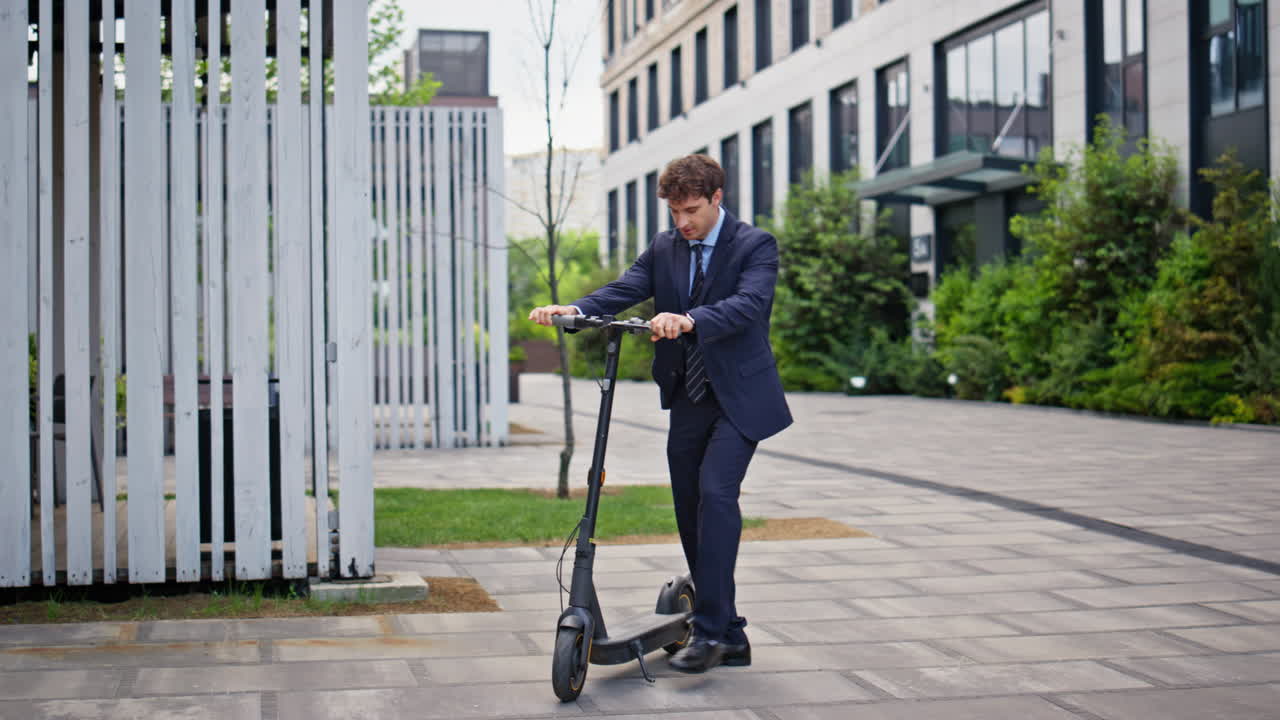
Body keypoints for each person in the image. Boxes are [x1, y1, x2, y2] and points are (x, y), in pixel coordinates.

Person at [529, 154, 792, 674]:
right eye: (674, 213)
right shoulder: (665, 246)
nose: (682, 222)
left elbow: (748, 305)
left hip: (739, 398)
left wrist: (688, 318)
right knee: (689, 507)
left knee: (716, 495)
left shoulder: (754, 245)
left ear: (717, 198)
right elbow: (627, 288)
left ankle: (712, 632)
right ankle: (731, 633)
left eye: (691, 210)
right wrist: (575, 310)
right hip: (688, 396)